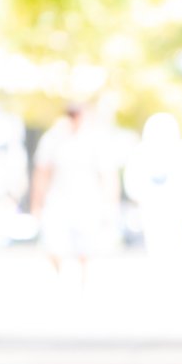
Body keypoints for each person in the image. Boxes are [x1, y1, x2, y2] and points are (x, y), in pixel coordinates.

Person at [29, 103, 118, 288]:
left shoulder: (95, 138)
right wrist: (36, 204)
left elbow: (108, 174)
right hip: (58, 199)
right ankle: (60, 279)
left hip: (87, 200)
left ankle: (83, 286)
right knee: (53, 244)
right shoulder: (54, 138)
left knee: (85, 248)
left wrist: (110, 203)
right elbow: (42, 172)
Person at [123, 112, 182, 257]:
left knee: (176, 246)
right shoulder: (142, 152)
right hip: (151, 209)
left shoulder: (181, 151)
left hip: (175, 208)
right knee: (154, 246)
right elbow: (133, 181)